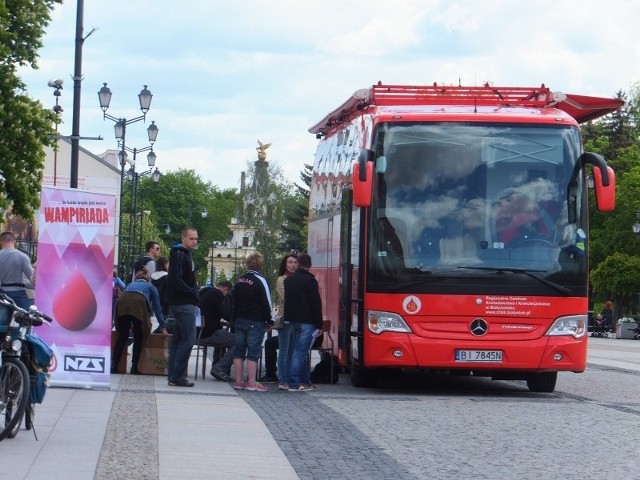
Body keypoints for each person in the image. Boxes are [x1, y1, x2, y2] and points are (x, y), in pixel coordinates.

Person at [232, 251, 273, 392]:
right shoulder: (261, 280)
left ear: (247, 264)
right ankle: (251, 382)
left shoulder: (239, 280)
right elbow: (267, 301)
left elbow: (233, 301)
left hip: (239, 319)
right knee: (253, 352)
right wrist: (270, 320)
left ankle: (238, 381)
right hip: (255, 321)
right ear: (260, 264)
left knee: (238, 351)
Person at [112, 267, 165, 374]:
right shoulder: (151, 287)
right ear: (148, 279)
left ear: (137, 279)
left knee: (122, 336)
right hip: (139, 303)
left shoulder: (130, 285)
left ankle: (114, 366)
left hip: (122, 302)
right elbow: (157, 308)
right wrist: (162, 325)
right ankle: (134, 367)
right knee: (138, 336)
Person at [166, 227, 200, 387]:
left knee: (179, 340)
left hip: (181, 302)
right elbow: (177, 280)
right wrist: (193, 292)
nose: (194, 242)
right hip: (183, 302)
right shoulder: (180, 255)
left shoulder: (181, 254)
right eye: (192, 239)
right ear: (183, 238)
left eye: (196, 239)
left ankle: (173, 375)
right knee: (188, 339)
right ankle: (177, 375)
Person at [284, 253, 323, 392]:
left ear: (298, 264)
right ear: (310, 265)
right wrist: (319, 324)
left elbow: (287, 302)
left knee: (300, 351)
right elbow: (315, 304)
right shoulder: (310, 281)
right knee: (300, 352)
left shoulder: (288, 280)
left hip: (292, 321)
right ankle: (294, 382)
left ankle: (305, 381)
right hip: (307, 321)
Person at [259, 254, 298, 388]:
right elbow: (287, 297)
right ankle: (283, 379)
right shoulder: (281, 279)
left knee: (293, 350)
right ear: (285, 265)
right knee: (284, 349)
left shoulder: (298, 279)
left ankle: (291, 378)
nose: (293, 265)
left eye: (295, 262)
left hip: (298, 319)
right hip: (285, 318)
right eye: (290, 262)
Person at [198, 281, 234, 382]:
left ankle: (216, 365)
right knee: (239, 342)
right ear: (226, 289)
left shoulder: (204, 292)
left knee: (222, 335)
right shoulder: (217, 294)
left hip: (198, 332)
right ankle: (220, 368)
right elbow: (227, 314)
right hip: (209, 333)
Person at [0, 231, 34, 310]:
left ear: (1, 242)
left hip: (3, 294)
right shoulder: (23, 256)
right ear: (14, 241)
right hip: (19, 293)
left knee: (3, 321)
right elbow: (32, 279)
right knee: (25, 319)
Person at [151, 256, 170, 332]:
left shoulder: (152, 276)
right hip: (165, 299)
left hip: (155, 299)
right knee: (165, 317)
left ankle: (159, 329)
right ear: (165, 265)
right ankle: (161, 329)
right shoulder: (167, 277)